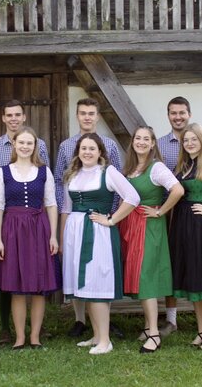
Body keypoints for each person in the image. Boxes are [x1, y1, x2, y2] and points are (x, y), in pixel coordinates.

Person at [60, 133, 139, 354]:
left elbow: (132, 197)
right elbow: (66, 208)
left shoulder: (109, 172)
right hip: (75, 232)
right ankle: (96, 336)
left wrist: (111, 219)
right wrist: (63, 235)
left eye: (92, 148)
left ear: (100, 152)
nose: (87, 152)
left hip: (97, 233)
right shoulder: (72, 175)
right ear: (78, 151)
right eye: (83, 148)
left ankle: (105, 340)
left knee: (97, 284)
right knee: (85, 286)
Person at [55, 97, 122, 338]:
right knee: (76, 267)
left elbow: (116, 183)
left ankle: (103, 324)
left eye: (91, 113)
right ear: (77, 116)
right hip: (74, 217)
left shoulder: (110, 145)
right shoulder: (66, 146)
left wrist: (110, 215)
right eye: (82, 113)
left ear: (97, 116)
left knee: (99, 271)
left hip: (100, 217)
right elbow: (59, 180)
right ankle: (80, 320)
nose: (87, 117)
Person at [0, 99, 50, 344]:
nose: (13, 118)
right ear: (3, 118)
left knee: (35, 275)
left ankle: (35, 331)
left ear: (24, 117)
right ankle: (6, 328)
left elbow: (45, 184)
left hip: (34, 221)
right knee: (11, 275)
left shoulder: (40, 145)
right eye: (8, 115)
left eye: (17, 115)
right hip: (9, 220)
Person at [120, 126, 184, 352]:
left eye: (146, 139)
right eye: (138, 138)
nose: (141, 142)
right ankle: (148, 327)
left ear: (153, 143)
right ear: (133, 142)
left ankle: (155, 334)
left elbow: (177, 190)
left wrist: (160, 211)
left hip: (150, 226)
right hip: (132, 226)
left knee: (146, 277)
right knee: (139, 275)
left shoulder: (156, 167)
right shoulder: (130, 168)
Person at [157, 96, 192, 337]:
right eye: (173, 113)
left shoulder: (198, 141)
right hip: (169, 211)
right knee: (171, 261)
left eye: (181, 112)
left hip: (194, 210)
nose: (177, 117)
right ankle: (171, 319)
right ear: (168, 115)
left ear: (189, 114)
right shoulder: (159, 145)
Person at [168, 123, 202, 349]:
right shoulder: (183, 165)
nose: (189, 143)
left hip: (200, 225)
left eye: (194, 139)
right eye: (186, 140)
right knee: (195, 281)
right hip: (183, 225)